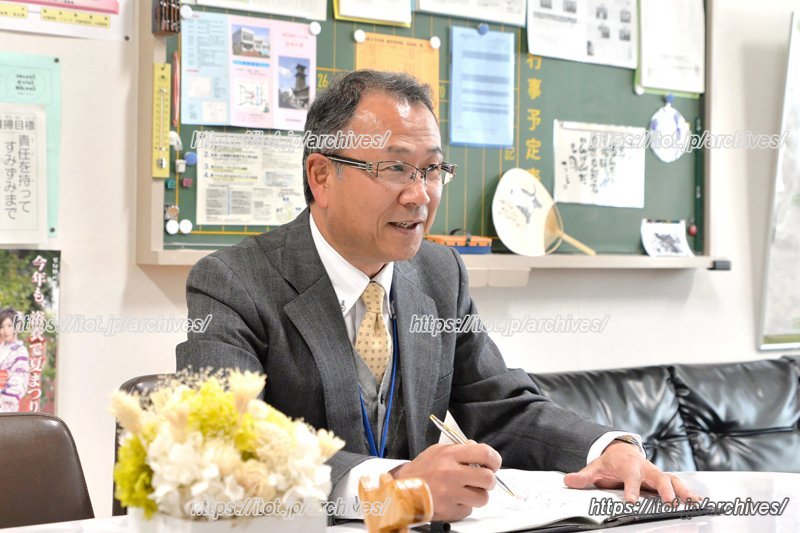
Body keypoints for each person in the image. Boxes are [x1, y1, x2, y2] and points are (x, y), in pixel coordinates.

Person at [177, 70, 698, 521]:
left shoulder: (439, 273)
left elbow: (499, 404)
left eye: (432, 169)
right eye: (395, 168)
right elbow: (226, 441)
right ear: (321, 176)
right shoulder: (232, 282)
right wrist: (391, 489)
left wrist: (602, 448)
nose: (420, 195)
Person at [0, 307, 30, 412]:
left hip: (6, 406)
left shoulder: (20, 351)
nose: (5, 331)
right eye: (1, 326)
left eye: (9, 326)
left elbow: (18, 383)